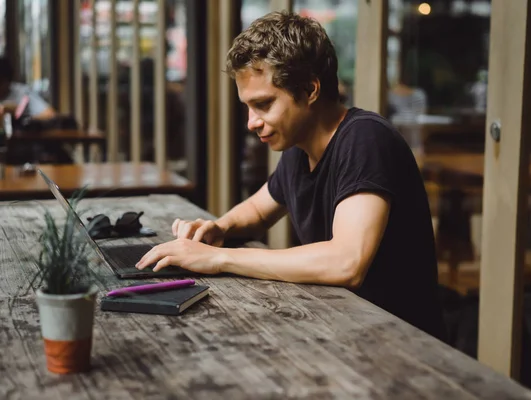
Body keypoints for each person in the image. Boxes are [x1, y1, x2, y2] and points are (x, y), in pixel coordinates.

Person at [136, 11, 446, 340]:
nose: (251, 122)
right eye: (248, 107)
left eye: (264, 104)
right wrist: (219, 228)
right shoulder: (299, 149)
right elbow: (256, 211)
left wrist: (219, 257)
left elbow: (347, 262)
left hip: (400, 346)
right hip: (341, 329)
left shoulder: (366, 139)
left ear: (310, 89)